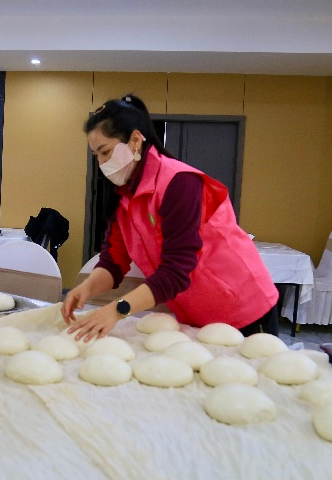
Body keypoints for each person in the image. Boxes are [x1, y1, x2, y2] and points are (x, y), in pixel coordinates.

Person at [62, 95, 279, 341]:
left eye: (105, 152)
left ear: (134, 140)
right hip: (196, 314)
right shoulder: (123, 197)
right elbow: (114, 260)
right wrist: (86, 288)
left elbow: (176, 271)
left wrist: (116, 310)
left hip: (243, 308)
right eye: (96, 156)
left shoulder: (179, 183)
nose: (101, 163)